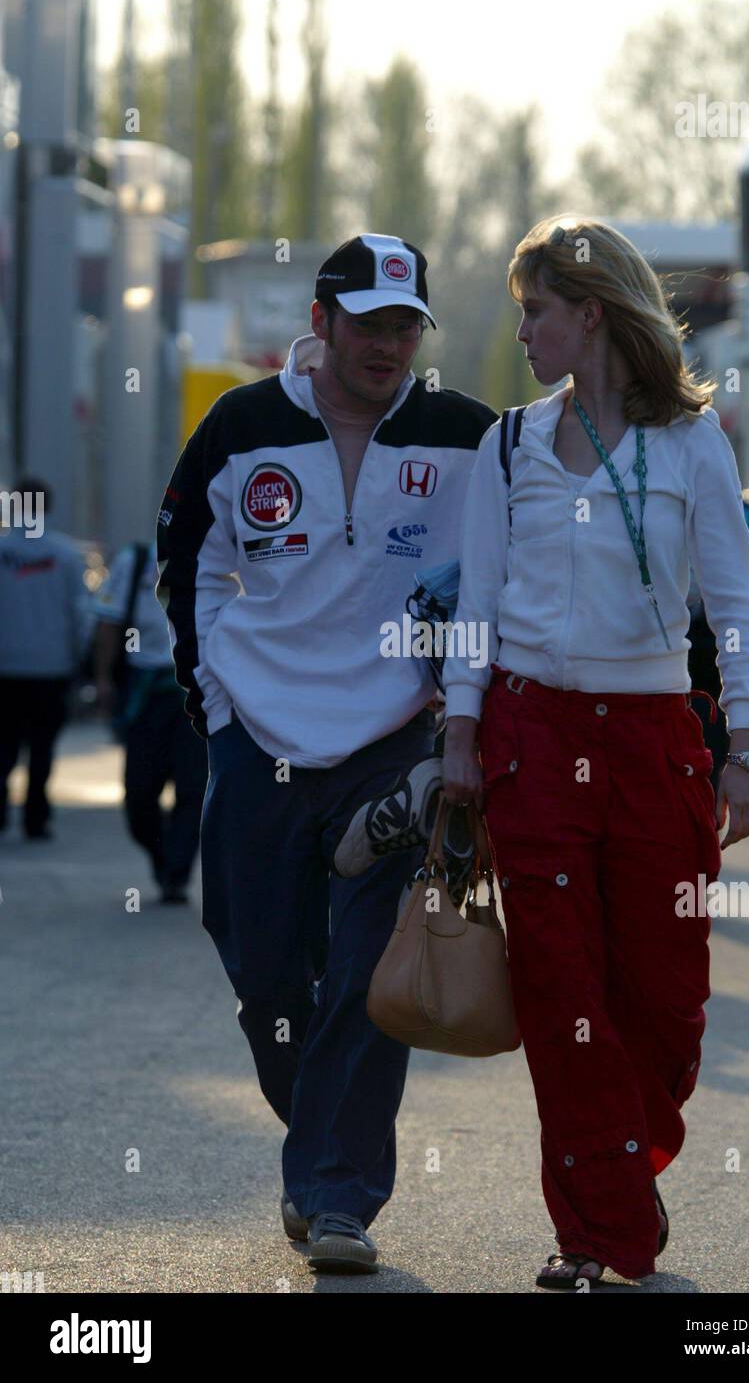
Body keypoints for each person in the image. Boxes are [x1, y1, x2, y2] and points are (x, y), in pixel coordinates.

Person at [442, 216, 749, 1288]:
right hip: (529, 736)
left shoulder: (690, 443)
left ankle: (621, 1173)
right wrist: (458, 730)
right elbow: (476, 602)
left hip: (653, 742)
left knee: (662, 1005)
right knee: (559, 992)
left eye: (535, 310)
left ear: (590, 313)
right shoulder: (507, 444)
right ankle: (593, 1234)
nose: (523, 330)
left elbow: (734, 600)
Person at [156, 234, 495, 1273]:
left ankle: (336, 1193)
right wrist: (216, 704)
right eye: (368, 322)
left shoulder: (465, 436)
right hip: (257, 742)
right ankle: (317, 1140)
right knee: (262, 972)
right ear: (321, 321)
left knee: (368, 973)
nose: (387, 343)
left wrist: (460, 716)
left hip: (390, 743)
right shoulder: (241, 425)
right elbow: (188, 565)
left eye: (405, 324)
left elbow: (494, 576)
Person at [92, 539, 208, 903]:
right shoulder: (135, 560)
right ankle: (161, 855)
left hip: (198, 691)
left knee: (193, 789)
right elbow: (109, 622)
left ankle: (176, 873)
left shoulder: (215, 550)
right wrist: (103, 678)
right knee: (139, 793)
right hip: (147, 693)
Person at [0, 478, 93, 839]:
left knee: (3, 744)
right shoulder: (66, 555)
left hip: (5, 666)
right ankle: (35, 817)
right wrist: (77, 659)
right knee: (43, 747)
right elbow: (81, 613)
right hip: (51, 667)